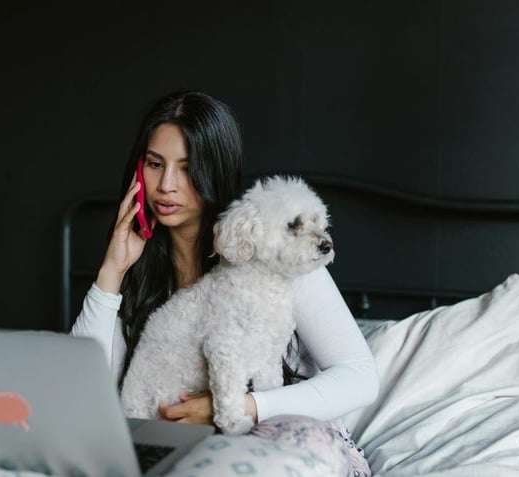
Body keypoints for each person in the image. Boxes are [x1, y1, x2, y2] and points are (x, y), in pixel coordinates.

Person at [71, 90, 378, 475]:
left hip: (278, 440)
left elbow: (359, 377)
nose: (166, 184)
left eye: (186, 167)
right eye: (154, 164)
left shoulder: (278, 252)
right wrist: (111, 272)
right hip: (178, 451)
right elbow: (84, 391)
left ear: (214, 170)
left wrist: (241, 408)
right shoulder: (136, 269)